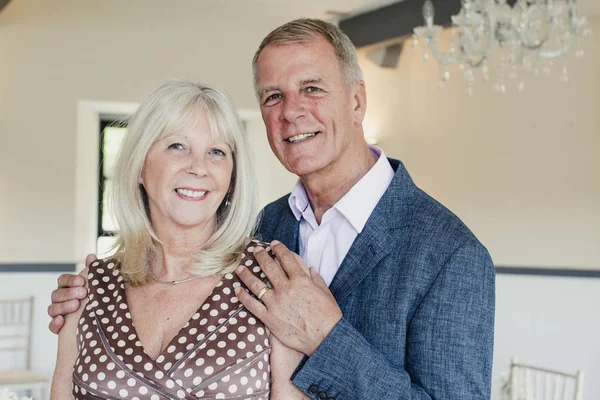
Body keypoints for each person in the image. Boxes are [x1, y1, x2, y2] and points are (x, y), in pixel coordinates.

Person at [49, 19, 495, 400]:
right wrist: (89, 304)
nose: (292, 112)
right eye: (272, 97)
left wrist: (327, 338)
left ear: (357, 101)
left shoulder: (450, 255)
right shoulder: (262, 228)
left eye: (312, 88)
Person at [50, 81, 308, 399]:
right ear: (140, 166)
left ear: (232, 178)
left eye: (216, 152)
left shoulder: (270, 276)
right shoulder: (90, 286)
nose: (198, 167)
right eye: (177, 146)